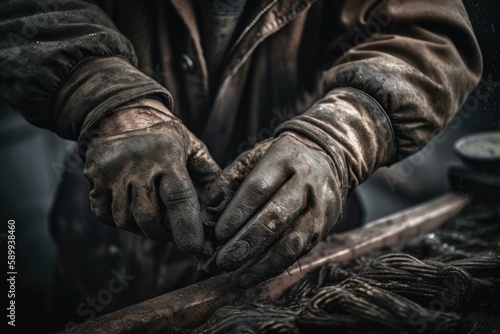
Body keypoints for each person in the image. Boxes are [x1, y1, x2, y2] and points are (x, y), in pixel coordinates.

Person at [0, 0, 481, 320]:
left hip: (299, 258)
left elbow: (432, 34)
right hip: (104, 264)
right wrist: (104, 96)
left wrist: (339, 135)